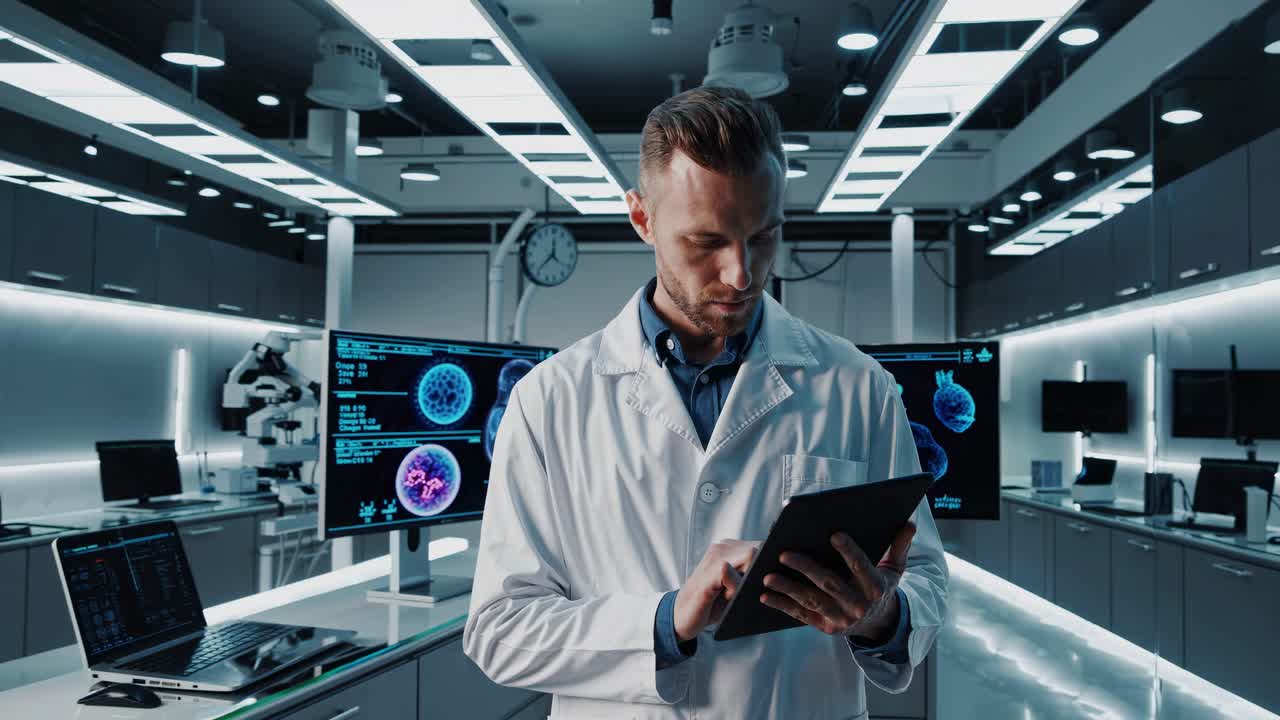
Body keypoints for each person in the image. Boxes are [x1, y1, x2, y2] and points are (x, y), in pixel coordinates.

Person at [463, 86, 948, 719]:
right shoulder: (549, 401)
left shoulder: (859, 386)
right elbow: (501, 629)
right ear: (642, 219)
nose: (741, 273)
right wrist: (664, 623)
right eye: (706, 242)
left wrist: (881, 614)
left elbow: (928, 580)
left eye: (763, 235)